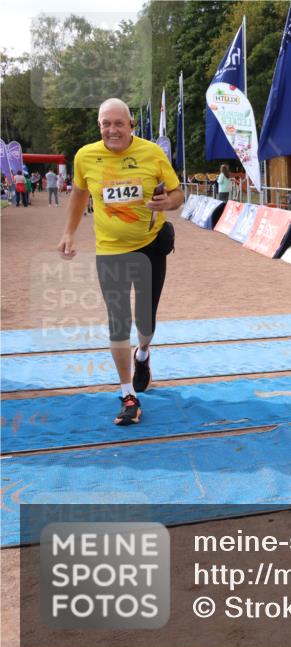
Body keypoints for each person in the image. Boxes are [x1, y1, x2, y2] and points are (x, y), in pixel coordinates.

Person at [57, 98, 184, 426]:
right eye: (105, 124)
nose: (112, 130)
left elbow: (177, 194)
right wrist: (69, 232)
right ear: (100, 126)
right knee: (118, 320)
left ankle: (143, 354)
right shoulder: (86, 156)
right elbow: (79, 194)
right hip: (110, 250)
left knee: (145, 324)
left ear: (130, 126)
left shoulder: (152, 154)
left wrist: (165, 203)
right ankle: (128, 394)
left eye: (118, 123)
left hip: (150, 247)